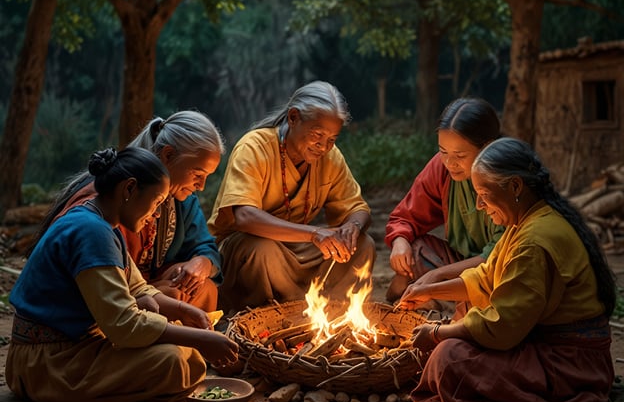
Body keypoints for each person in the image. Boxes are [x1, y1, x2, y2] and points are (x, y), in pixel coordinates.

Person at [6, 147, 239, 402]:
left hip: (72, 350)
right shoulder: (90, 231)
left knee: (184, 355)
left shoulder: (105, 225)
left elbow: (138, 288)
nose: (157, 214)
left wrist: (185, 311)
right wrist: (201, 338)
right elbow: (123, 323)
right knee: (171, 362)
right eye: (156, 202)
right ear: (128, 190)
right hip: (48, 363)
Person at [398, 137, 617, 402]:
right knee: (464, 315)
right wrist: (428, 291)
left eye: (484, 194)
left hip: (570, 366)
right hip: (543, 342)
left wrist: (437, 333)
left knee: (450, 358)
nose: (479, 205)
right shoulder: (525, 222)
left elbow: (501, 327)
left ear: (515, 186)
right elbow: (487, 277)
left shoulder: (534, 241)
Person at [208, 81, 375, 313]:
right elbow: (244, 216)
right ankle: (270, 315)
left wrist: (353, 226)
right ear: (293, 118)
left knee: (364, 245)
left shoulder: (330, 158)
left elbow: (356, 207)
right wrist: (315, 234)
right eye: (317, 135)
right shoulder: (255, 147)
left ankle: (331, 314)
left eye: (332, 139)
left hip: (298, 248)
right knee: (262, 249)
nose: (323, 147)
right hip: (248, 252)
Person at [35, 110, 224, 312]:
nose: (202, 186)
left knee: (201, 289)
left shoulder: (180, 197)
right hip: (97, 298)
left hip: (134, 288)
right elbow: (104, 281)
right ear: (168, 155)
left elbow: (205, 245)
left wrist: (200, 263)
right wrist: (155, 292)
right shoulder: (106, 204)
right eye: (197, 174)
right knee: (173, 297)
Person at [385, 97, 506, 305]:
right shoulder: (443, 169)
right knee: (415, 249)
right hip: (461, 263)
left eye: (459, 155)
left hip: (500, 272)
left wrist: (437, 277)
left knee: (492, 301)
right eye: (443, 152)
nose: (450, 163)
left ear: (486, 147)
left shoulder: (506, 178)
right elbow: (406, 217)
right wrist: (400, 241)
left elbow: (498, 257)